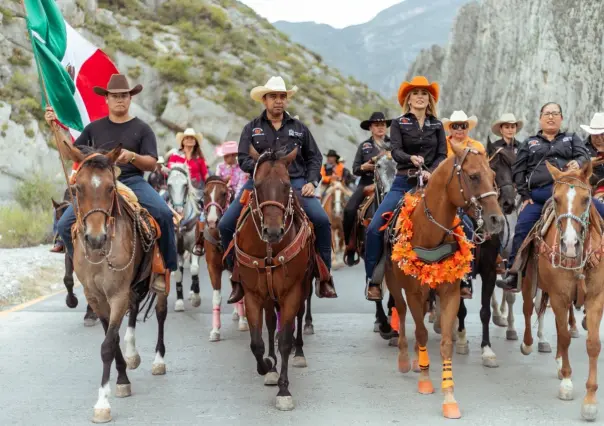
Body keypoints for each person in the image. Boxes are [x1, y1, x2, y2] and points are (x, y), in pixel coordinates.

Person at [45, 73, 177, 293]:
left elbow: (152, 162)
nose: (119, 99)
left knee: (163, 214)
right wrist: (54, 128)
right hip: (98, 187)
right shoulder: (93, 129)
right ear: (106, 98)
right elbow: (71, 153)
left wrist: (132, 157)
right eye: (114, 95)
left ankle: (165, 268)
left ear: (130, 98)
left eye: (124, 95)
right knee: (64, 226)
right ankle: (81, 266)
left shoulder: (143, 129)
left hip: (131, 181)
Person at [218, 76, 337, 303]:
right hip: (259, 183)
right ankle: (238, 277)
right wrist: (264, 172)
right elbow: (243, 158)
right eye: (273, 96)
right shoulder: (251, 129)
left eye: (282, 97)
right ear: (264, 100)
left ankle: (324, 276)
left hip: (296, 182)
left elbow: (314, 157)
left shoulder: (300, 129)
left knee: (321, 220)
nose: (278, 101)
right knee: (225, 224)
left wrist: (312, 181)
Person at [496, 103, 604, 292]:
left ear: (561, 118)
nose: (551, 117)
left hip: (570, 193)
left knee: (601, 211)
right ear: (540, 118)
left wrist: (576, 162)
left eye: (555, 114)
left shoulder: (571, 139)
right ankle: (514, 272)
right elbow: (518, 171)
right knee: (522, 225)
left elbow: (585, 157)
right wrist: (525, 195)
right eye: (547, 114)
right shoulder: (530, 143)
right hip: (540, 195)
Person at [365, 76, 446, 301]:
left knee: (462, 225)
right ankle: (374, 280)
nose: (420, 97)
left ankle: (464, 279)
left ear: (429, 99)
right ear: (408, 99)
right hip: (403, 183)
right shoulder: (399, 123)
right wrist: (411, 158)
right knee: (375, 228)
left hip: (431, 185)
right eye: (415, 93)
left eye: (424, 94)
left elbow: (442, 154)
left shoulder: (437, 125)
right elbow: (396, 151)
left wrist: (433, 171)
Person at [442, 110, 485, 299]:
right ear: (450, 128)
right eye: (455, 126)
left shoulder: (477, 146)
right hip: (444, 193)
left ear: (468, 128)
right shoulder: (442, 144)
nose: (459, 129)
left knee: (470, 227)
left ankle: (467, 277)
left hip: (468, 195)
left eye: (463, 126)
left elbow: (483, 171)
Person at [343, 111, 392, 266]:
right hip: (367, 183)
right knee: (349, 210)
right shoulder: (364, 146)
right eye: (377, 125)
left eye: (382, 125)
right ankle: (350, 246)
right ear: (371, 128)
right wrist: (364, 167)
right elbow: (355, 169)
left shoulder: (394, 144)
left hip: (390, 183)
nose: (380, 128)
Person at [581, 112, 604, 192]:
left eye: (602, 134)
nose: (599, 138)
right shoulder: (580, 148)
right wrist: (588, 165)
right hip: (592, 189)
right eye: (595, 135)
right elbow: (571, 172)